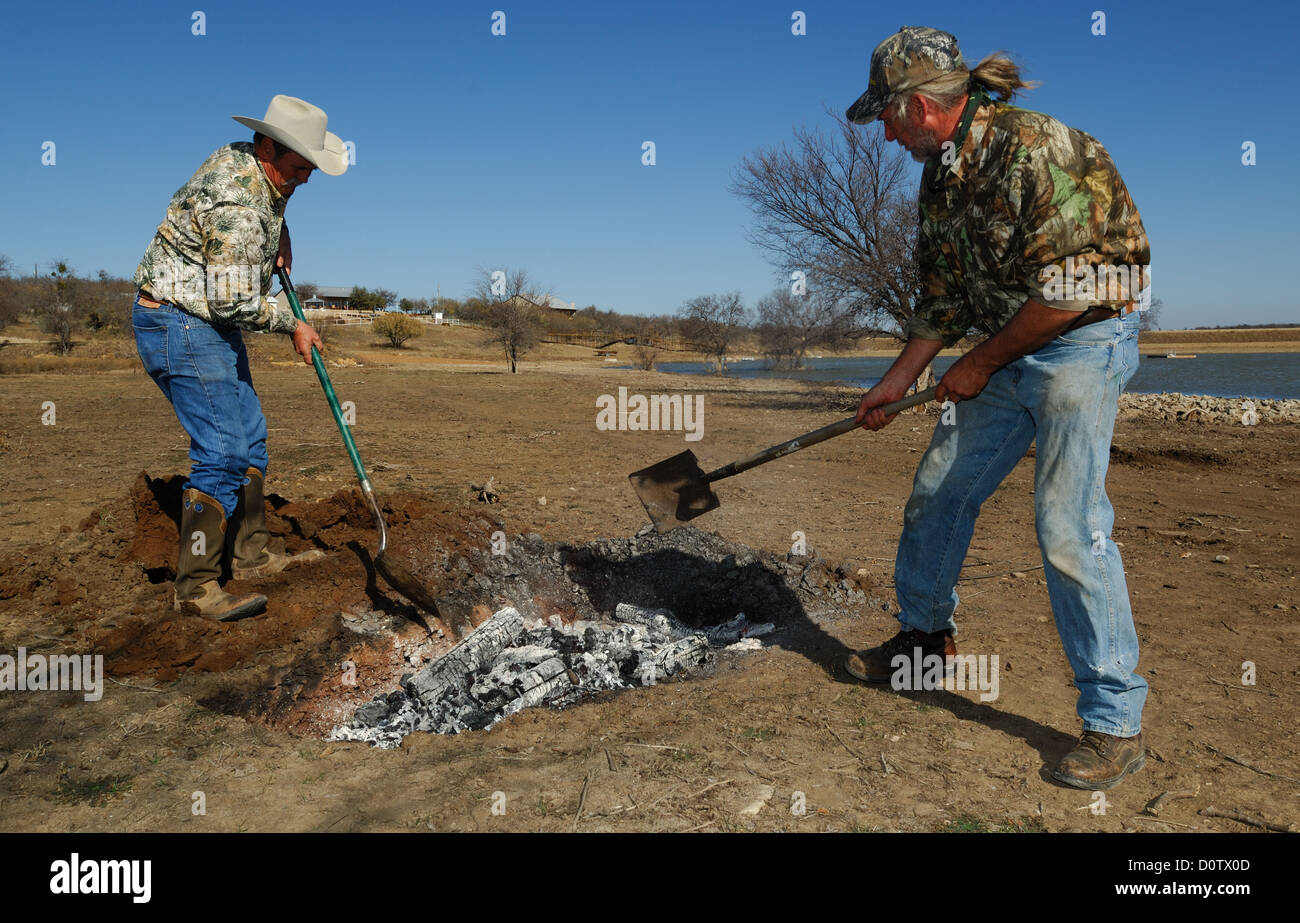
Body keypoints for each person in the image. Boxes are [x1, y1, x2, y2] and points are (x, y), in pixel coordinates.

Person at [843, 27, 1151, 790]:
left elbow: (1078, 287)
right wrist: (897, 379)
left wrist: (977, 365)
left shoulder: (1039, 147)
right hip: (1008, 346)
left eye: (885, 116)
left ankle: (1114, 722)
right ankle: (924, 643)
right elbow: (942, 297)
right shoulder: (938, 173)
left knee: (1067, 525)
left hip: (1082, 342)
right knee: (939, 489)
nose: (883, 132)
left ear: (919, 105)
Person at [133, 95, 346, 620]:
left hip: (207, 319)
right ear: (268, 146)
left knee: (250, 436)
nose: (305, 179)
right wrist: (292, 323)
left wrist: (282, 234)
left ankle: (250, 554)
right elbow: (232, 300)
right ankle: (197, 587)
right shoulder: (238, 204)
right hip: (179, 320)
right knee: (224, 450)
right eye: (300, 168)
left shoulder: (252, 164)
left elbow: (265, 213)